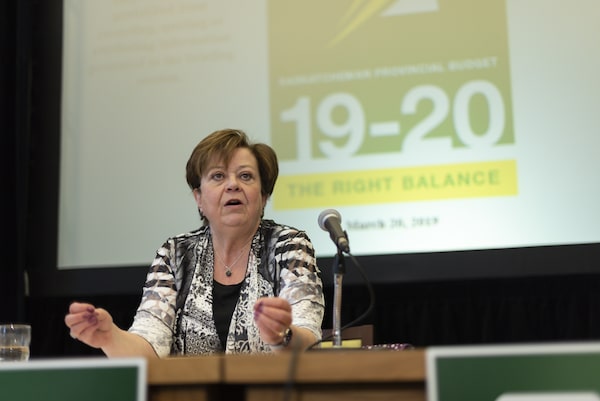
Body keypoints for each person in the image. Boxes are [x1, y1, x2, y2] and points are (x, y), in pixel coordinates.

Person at [64, 129, 325, 357]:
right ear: (198, 197)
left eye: (245, 176)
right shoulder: (176, 254)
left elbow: (308, 335)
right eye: (218, 176)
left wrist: (283, 336)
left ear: (264, 195)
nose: (233, 185)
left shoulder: (288, 246)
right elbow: (150, 343)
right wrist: (110, 337)